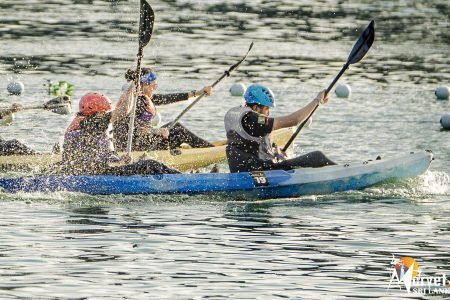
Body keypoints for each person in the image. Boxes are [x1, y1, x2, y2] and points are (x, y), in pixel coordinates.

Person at [57, 92, 179, 175]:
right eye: (104, 111)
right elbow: (124, 110)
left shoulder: (79, 122)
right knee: (151, 164)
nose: (106, 114)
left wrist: (120, 160)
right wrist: (132, 89)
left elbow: (96, 155)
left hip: (91, 171)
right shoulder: (92, 122)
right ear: (96, 111)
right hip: (100, 175)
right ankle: (184, 178)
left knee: (140, 163)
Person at [224, 84, 336, 173]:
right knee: (317, 157)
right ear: (256, 107)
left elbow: (251, 144)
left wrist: (276, 152)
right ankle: (346, 173)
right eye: (266, 108)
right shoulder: (254, 120)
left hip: (241, 170)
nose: (268, 113)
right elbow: (294, 120)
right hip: (260, 172)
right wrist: (317, 101)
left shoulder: (238, 114)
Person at [113, 67, 214, 151]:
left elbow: (169, 98)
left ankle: (204, 147)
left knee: (174, 128)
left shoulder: (143, 98)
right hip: (132, 149)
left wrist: (198, 93)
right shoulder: (135, 103)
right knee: (177, 129)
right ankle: (210, 150)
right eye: (153, 86)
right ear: (143, 85)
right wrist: (157, 131)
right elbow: (135, 130)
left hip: (141, 143)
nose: (154, 89)